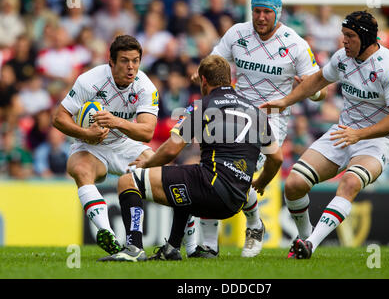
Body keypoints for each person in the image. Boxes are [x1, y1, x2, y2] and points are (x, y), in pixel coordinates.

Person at [98, 54, 283, 262]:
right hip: (237, 200)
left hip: (210, 189)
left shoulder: (202, 106)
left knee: (128, 181)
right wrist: (261, 182)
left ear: (203, 80)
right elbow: (276, 158)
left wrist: (146, 164)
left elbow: (170, 150)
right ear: (229, 79)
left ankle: (133, 247)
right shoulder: (256, 112)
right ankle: (172, 247)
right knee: (184, 177)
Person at [189, 0, 324, 258]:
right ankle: (209, 247)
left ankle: (253, 225)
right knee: (211, 170)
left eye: (266, 12)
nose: (260, 17)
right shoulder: (237, 33)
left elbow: (318, 89)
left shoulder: (295, 44)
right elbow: (213, 62)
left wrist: (312, 90)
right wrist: (199, 73)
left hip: (271, 120)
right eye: (256, 11)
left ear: (278, 13)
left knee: (230, 173)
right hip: (233, 111)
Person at [260, 10, 389, 259]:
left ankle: (311, 245)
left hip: (375, 142)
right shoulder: (343, 57)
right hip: (343, 133)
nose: (344, 41)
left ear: (365, 37)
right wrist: (286, 101)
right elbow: (318, 79)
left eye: (350, 36)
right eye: (343, 35)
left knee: (350, 183)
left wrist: (359, 135)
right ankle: (304, 240)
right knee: (295, 184)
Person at [52, 35, 159, 255]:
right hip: (90, 145)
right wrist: (85, 134)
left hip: (123, 142)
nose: (131, 67)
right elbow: (59, 118)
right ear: (111, 61)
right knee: (80, 169)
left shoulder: (145, 86)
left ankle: (187, 243)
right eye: (124, 61)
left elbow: (147, 132)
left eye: (135, 61)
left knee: (159, 170)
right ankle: (107, 232)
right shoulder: (89, 81)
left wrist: (115, 122)